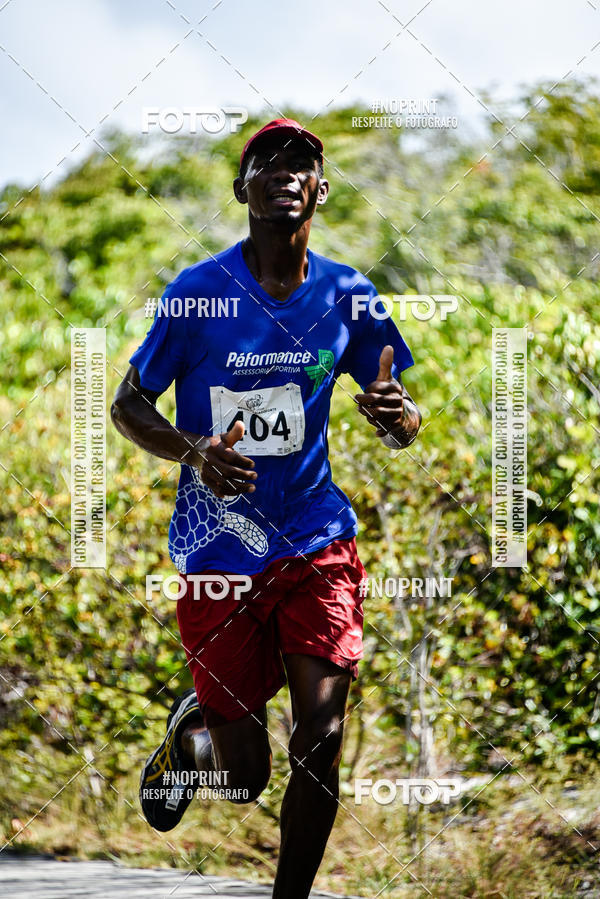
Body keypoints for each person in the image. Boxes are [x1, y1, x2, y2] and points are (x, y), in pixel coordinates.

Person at [111, 118, 421, 899]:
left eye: (303, 162)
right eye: (267, 161)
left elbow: (403, 416)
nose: (286, 170)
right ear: (242, 187)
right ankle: (193, 736)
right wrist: (194, 451)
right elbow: (127, 403)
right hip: (220, 553)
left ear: (320, 190)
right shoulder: (198, 294)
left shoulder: (349, 293)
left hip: (316, 538)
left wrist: (398, 419)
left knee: (321, 737)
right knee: (244, 777)